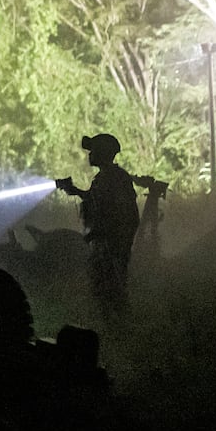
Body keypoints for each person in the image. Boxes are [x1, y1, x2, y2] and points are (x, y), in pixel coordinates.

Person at [56, 133, 140, 319]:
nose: (89, 154)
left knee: (111, 290)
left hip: (111, 247)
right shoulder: (109, 177)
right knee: (105, 290)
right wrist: (75, 191)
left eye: (93, 150)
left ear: (102, 153)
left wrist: (108, 238)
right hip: (107, 245)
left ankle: (119, 328)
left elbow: (121, 213)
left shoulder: (113, 178)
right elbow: (98, 200)